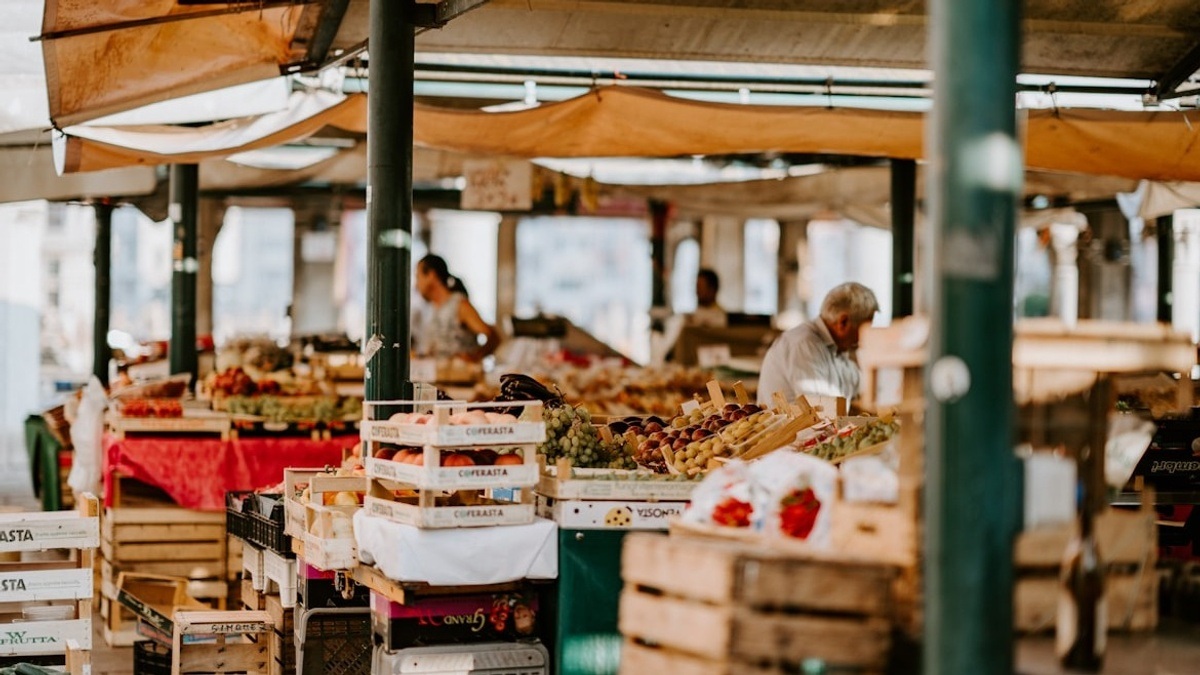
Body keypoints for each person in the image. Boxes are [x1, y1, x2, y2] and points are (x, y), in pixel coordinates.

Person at [757, 282, 879, 406]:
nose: (865, 336)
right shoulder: (804, 344)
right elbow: (824, 410)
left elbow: (862, 385)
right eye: (864, 328)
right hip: (790, 425)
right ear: (843, 322)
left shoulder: (837, 349)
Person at [414, 254, 501, 361]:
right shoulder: (431, 309)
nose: (416, 285)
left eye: (418, 277)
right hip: (439, 375)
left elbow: (493, 337)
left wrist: (475, 357)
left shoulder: (459, 305)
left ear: (431, 275)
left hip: (461, 376)